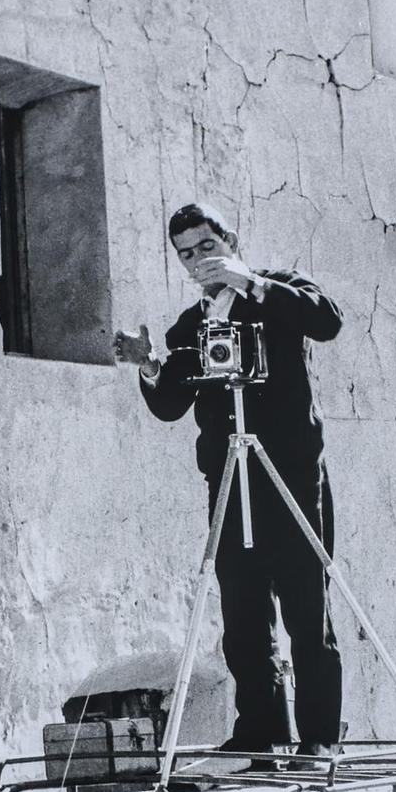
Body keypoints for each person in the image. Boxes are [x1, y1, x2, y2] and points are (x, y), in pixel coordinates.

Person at [114, 202, 344, 759]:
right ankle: (261, 730)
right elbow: (171, 403)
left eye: (206, 248)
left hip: (288, 479)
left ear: (231, 239)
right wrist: (147, 364)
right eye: (186, 255)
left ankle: (319, 737)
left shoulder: (280, 291)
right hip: (229, 482)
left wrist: (253, 282)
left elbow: (328, 320)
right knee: (242, 617)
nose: (198, 263)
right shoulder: (194, 325)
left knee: (306, 613)